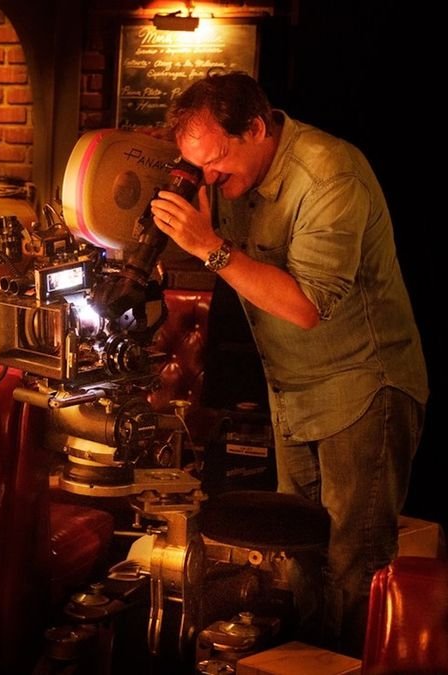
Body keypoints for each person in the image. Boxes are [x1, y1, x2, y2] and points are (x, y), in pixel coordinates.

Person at [149, 72, 427, 656]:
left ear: (256, 127)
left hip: (364, 385)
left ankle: (351, 667)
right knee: (299, 551)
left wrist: (208, 246)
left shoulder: (330, 174)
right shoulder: (227, 176)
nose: (210, 177)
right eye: (197, 166)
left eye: (217, 161)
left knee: (355, 564)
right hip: (294, 390)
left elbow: (306, 307)